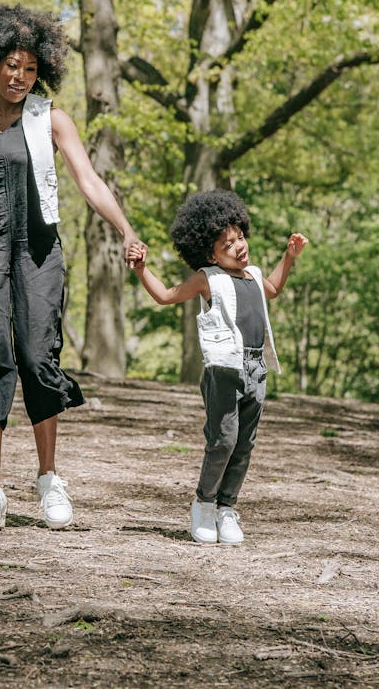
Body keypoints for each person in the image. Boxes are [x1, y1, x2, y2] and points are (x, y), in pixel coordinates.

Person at [0, 4, 145, 532]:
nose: (20, 78)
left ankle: (49, 481)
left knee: (40, 355)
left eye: (30, 69)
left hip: (38, 251)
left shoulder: (51, 119)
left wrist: (126, 230)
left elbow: (88, 180)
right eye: (11, 66)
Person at [128, 189, 307, 546]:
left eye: (240, 237)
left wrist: (289, 257)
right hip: (224, 371)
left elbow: (272, 288)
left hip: (257, 369)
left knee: (244, 443)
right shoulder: (207, 278)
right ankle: (204, 504)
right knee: (222, 440)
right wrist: (142, 268)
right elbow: (165, 295)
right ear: (209, 252)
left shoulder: (254, 274)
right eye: (228, 244)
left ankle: (227, 507)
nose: (239, 246)